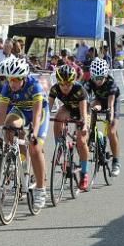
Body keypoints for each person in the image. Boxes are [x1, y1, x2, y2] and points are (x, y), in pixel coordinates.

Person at [0, 55, 48, 211]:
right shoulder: (7, 87)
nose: (13, 83)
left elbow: (37, 115)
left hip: (39, 113)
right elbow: (1, 113)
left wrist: (34, 133)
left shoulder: (35, 86)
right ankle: (18, 162)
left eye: (16, 80)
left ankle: (40, 190)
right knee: (8, 126)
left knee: (35, 148)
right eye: (10, 79)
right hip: (22, 111)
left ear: (24, 78)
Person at [49, 63, 91, 191]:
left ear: (73, 81)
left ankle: (84, 174)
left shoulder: (79, 90)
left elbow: (83, 113)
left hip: (83, 111)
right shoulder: (55, 89)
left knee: (81, 141)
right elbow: (47, 109)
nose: (65, 87)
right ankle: (60, 147)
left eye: (68, 84)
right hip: (68, 108)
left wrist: (83, 125)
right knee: (57, 118)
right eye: (62, 84)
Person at [86, 57, 121, 177]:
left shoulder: (111, 83)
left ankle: (116, 162)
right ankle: (92, 135)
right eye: (96, 78)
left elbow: (110, 104)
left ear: (105, 75)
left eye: (101, 78)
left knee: (111, 131)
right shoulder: (90, 82)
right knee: (90, 107)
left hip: (112, 103)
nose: (98, 81)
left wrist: (110, 117)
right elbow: (84, 97)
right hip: (99, 101)